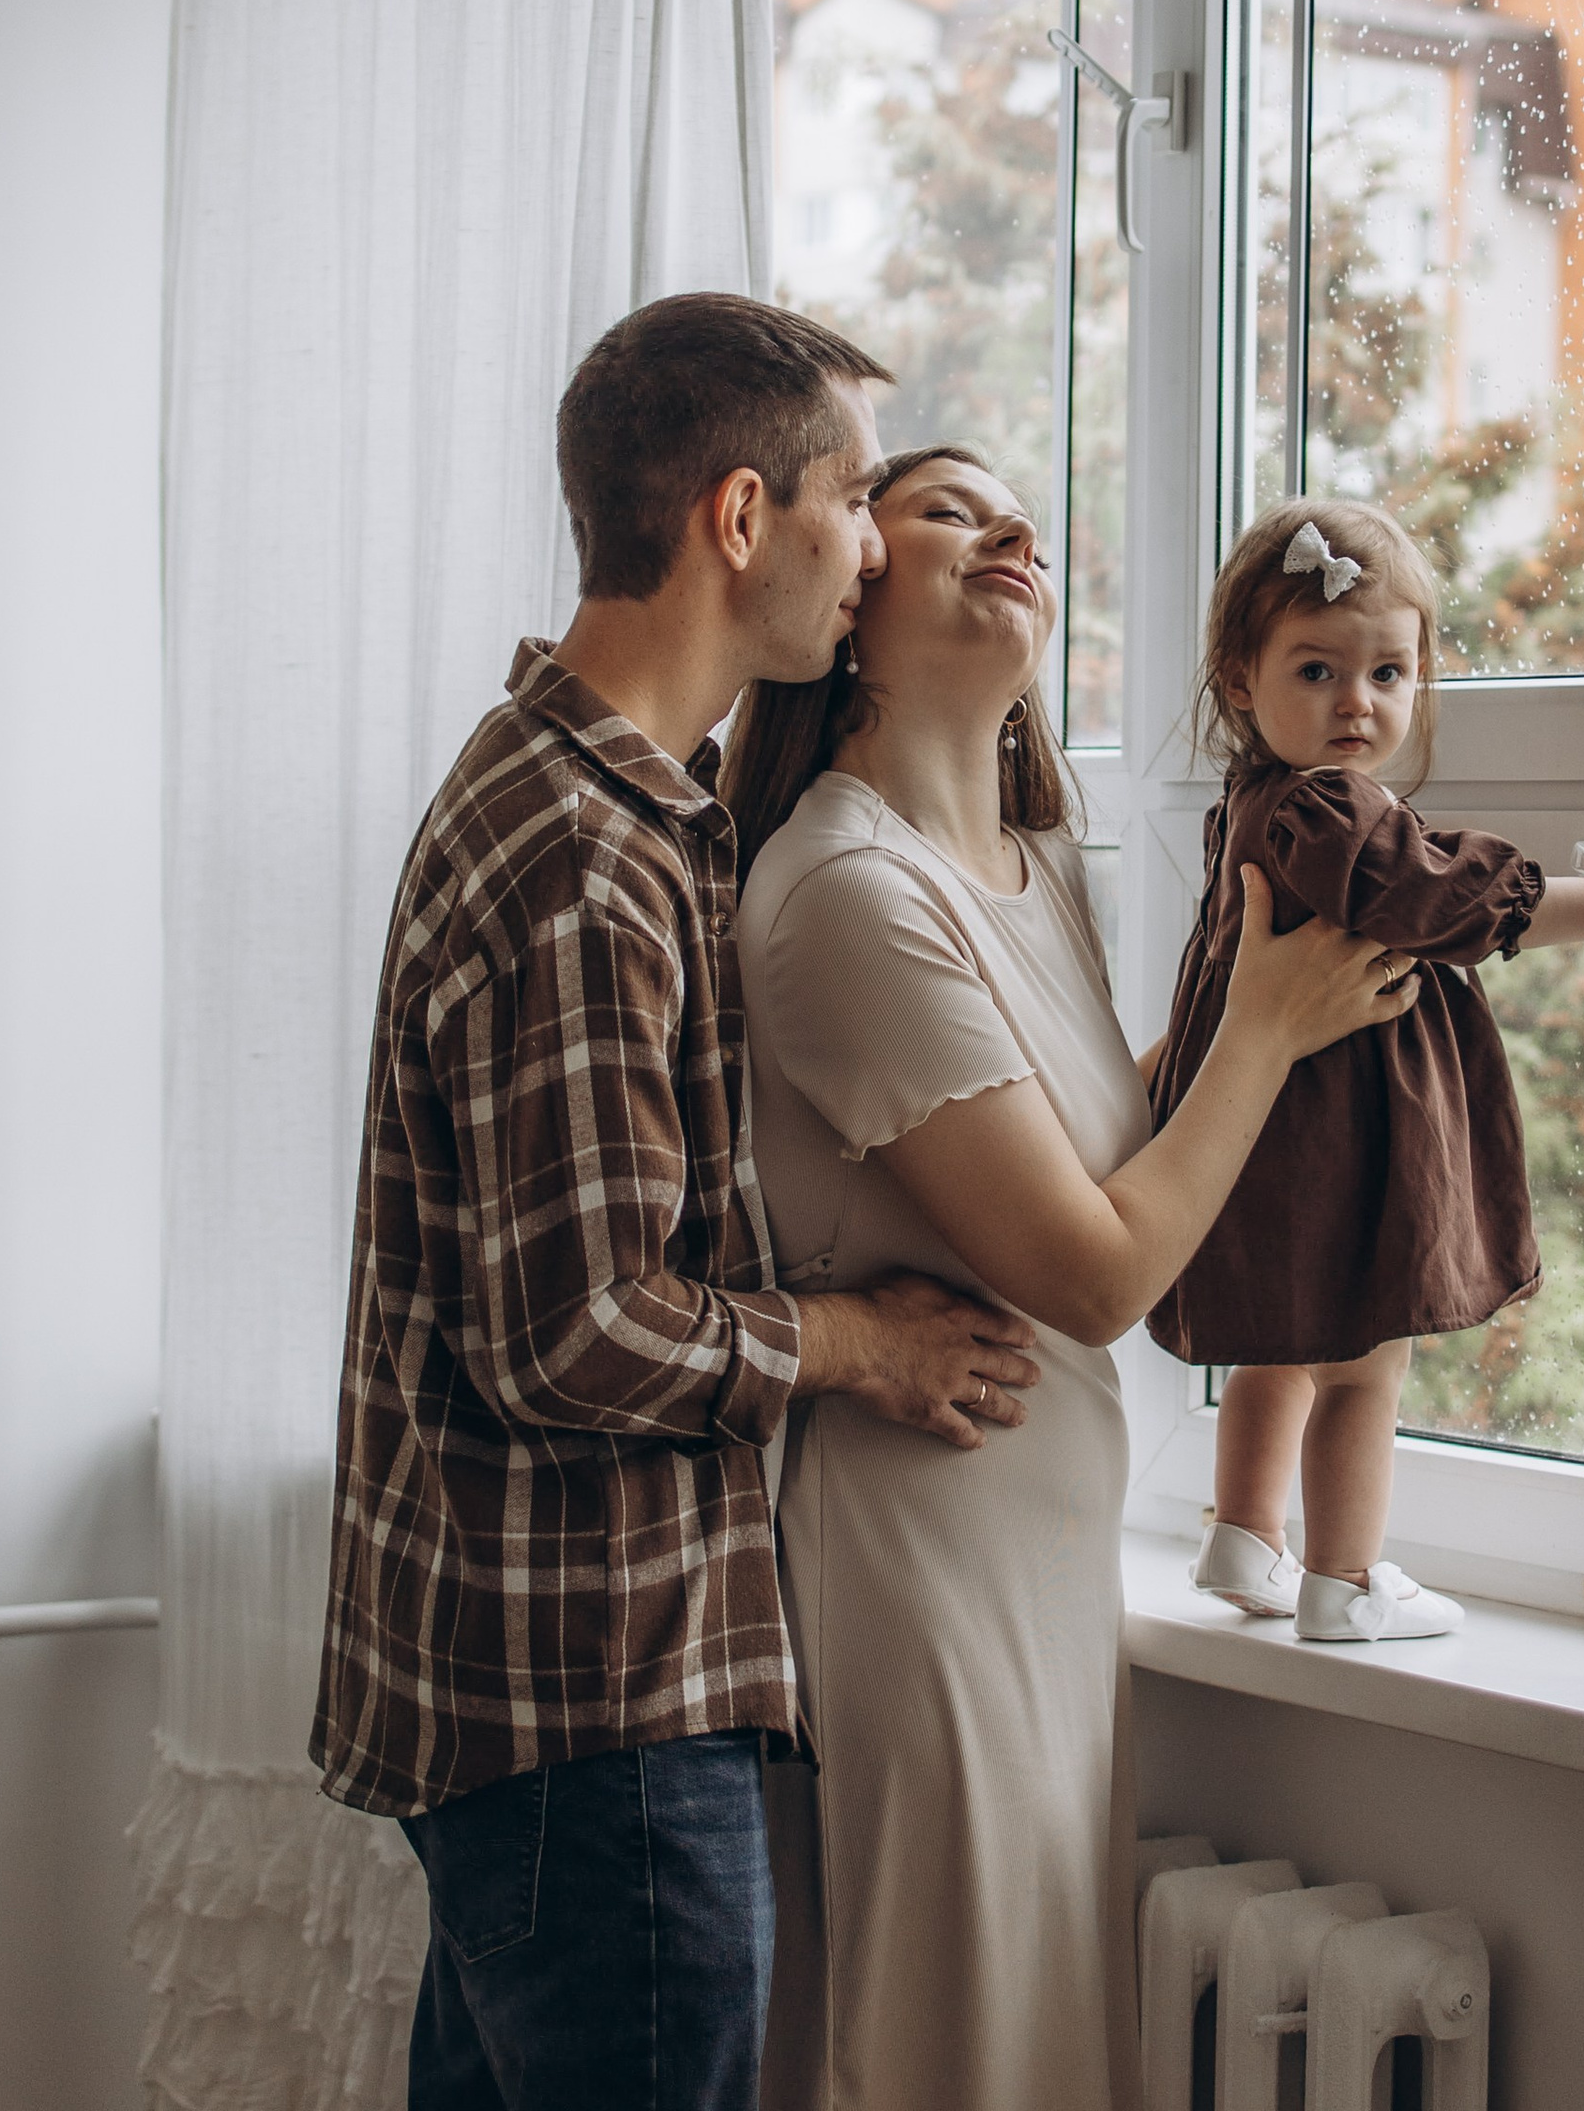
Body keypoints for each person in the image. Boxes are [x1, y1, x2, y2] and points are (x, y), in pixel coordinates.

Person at [312, 296, 1048, 2111]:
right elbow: (576, 1334)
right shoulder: (582, 861)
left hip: (541, 1713)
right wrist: (862, 1343)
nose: (872, 550)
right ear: (740, 517)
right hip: (591, 1715)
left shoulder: (616, 804)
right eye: (854, 500)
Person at [724, 446, 1417, 2111]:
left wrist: (1300, 1038)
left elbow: (1113, 1145)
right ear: (852, 599)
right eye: (948, 511)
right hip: (918, 1547)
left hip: (1042, 1540)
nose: (1012, 528)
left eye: (1015, 510)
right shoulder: (844, 890)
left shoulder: (1045, 866)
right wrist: (1266, 1030)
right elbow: (1098, 1274)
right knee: (942, 2040)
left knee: (1035, 2030)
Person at [1147, 497, 1584, 1644]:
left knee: (1285, 1347)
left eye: (1387, 672)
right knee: (1362, 1366)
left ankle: (1243, 1535)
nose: (1358, 702)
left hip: (1269, 1131)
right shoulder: (1330, 808)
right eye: (1318, 670)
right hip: (1338, 1142)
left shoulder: (1254, 802)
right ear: (1240, 680)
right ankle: (1344, 1581)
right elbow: (1454, 902)